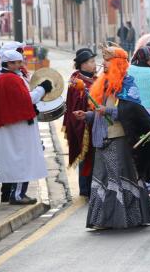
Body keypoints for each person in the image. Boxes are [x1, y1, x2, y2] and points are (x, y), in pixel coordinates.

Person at [73, 46, 150, 229]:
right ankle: (103, 220)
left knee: (120, 178)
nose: (103, 63)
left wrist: (107, 110)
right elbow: (100, 113)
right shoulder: (103, 83)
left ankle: (128, 218)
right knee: (102, 178)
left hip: (119, 138)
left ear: (117, 62)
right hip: (101, 139)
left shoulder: (127, 84)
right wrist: (87, 115)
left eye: (107, 60)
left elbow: (132, 112)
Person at [0, 50, 50, 205]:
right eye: (18, 62)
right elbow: (28, 99)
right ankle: (18, 194)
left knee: (17, 160)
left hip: (13, 127)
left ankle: (15, 193)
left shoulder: (3, 78)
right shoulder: (11, 80)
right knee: (24, 160)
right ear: (9, 64)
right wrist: (43, 88)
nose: (21, 65)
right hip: (20, 128)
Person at [128, 46, 150, 202]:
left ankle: (139, 185)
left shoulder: (128, 70)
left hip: (133, 115)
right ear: (149, 59)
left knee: (139, 151)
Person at [63, 48, 97, 197]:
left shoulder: (94, 78)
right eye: (91, 62)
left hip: (95, 121)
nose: (95, 64)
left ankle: (95, 186)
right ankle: (85, 188)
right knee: (85, 155)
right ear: (82, 65)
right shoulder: (76, 81)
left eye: (94, 61)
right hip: (83, 125)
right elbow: (76, 105)